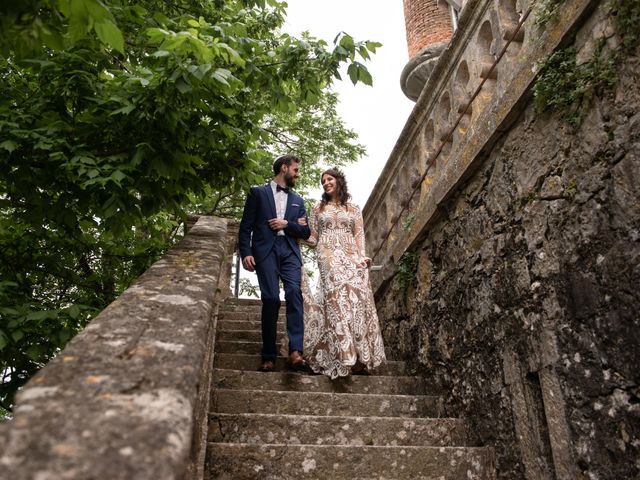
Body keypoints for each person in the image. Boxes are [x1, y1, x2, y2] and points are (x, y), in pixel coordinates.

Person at [300, 168, 386, 378]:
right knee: (336, 302)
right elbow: (314, 238)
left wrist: (361, 257)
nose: (326, 183)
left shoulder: (353, 208)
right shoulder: (318, 207)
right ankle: (343, 356)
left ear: (339, 181)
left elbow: (359, 235)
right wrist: (298, 231)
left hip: (350, 256)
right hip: (327, 255)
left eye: (329, 179)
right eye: (323, 181)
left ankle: (358, 357)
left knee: (355, 302)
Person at [238, 154, 311, 372]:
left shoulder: (299, 200)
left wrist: (286, 223)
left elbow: (305, 232)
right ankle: (268, 355)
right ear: (284, 168)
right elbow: (246, 227)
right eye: (295, 170)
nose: (298, 174)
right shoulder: (257, 193)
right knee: (270, 299)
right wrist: (245, 253)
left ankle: (296, 352)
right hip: (265, 251)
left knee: (294, 294)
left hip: (289, 251)